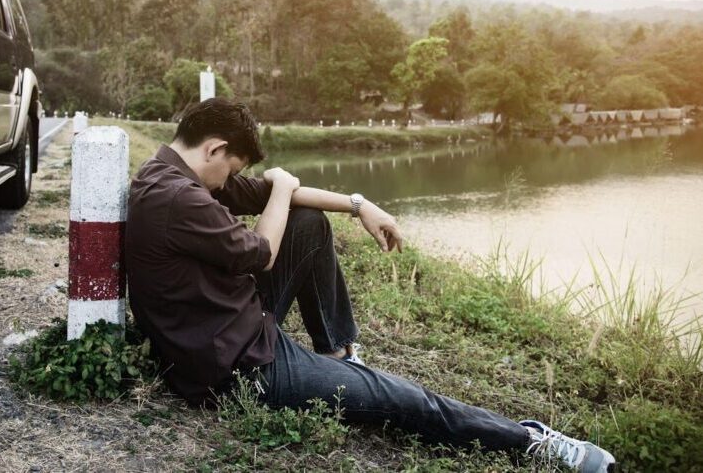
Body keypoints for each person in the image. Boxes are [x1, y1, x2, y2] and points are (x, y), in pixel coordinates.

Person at [124, 97, 615, 472]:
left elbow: (281, 199)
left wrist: (360, 204)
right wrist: (283, 185)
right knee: (396, 398)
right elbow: (262, 252)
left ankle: (337, 355)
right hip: (235, 364)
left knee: (307, 221)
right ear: (215, 148)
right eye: (230, 169)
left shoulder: (178, 173)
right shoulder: (177, 197)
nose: (227, 181)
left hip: (232, 322)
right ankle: (532, 441)